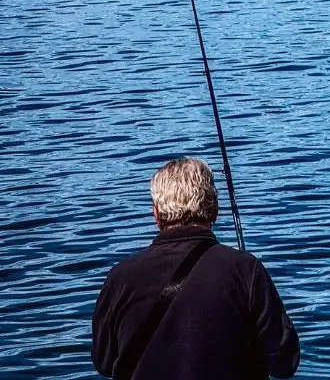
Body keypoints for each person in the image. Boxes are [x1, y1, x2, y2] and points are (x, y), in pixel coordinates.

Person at [92, 157, 300, 380]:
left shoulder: (121, 277)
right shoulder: (245, 269)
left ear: (156, 213)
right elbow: (284, 363)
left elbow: (104, 362)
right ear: (214, 208)